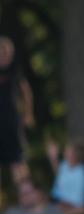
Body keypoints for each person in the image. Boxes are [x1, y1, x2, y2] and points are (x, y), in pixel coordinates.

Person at [0, 36, 34, 203]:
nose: (5, 56)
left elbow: (26, 92)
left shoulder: (15, 70)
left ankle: (27, 200)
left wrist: (28, 113)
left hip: (12, 121)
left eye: (7, 52)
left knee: (18, 162)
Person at [46, 138, 84, 214]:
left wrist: (65, 203)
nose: (64, 152)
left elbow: (78, 199)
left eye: (67, 150)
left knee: (82, 210)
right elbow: (58, 173)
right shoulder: (65, 165)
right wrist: (53, 158)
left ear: (74, 154)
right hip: (58, 200)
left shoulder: (81, 173)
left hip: (71, 203)